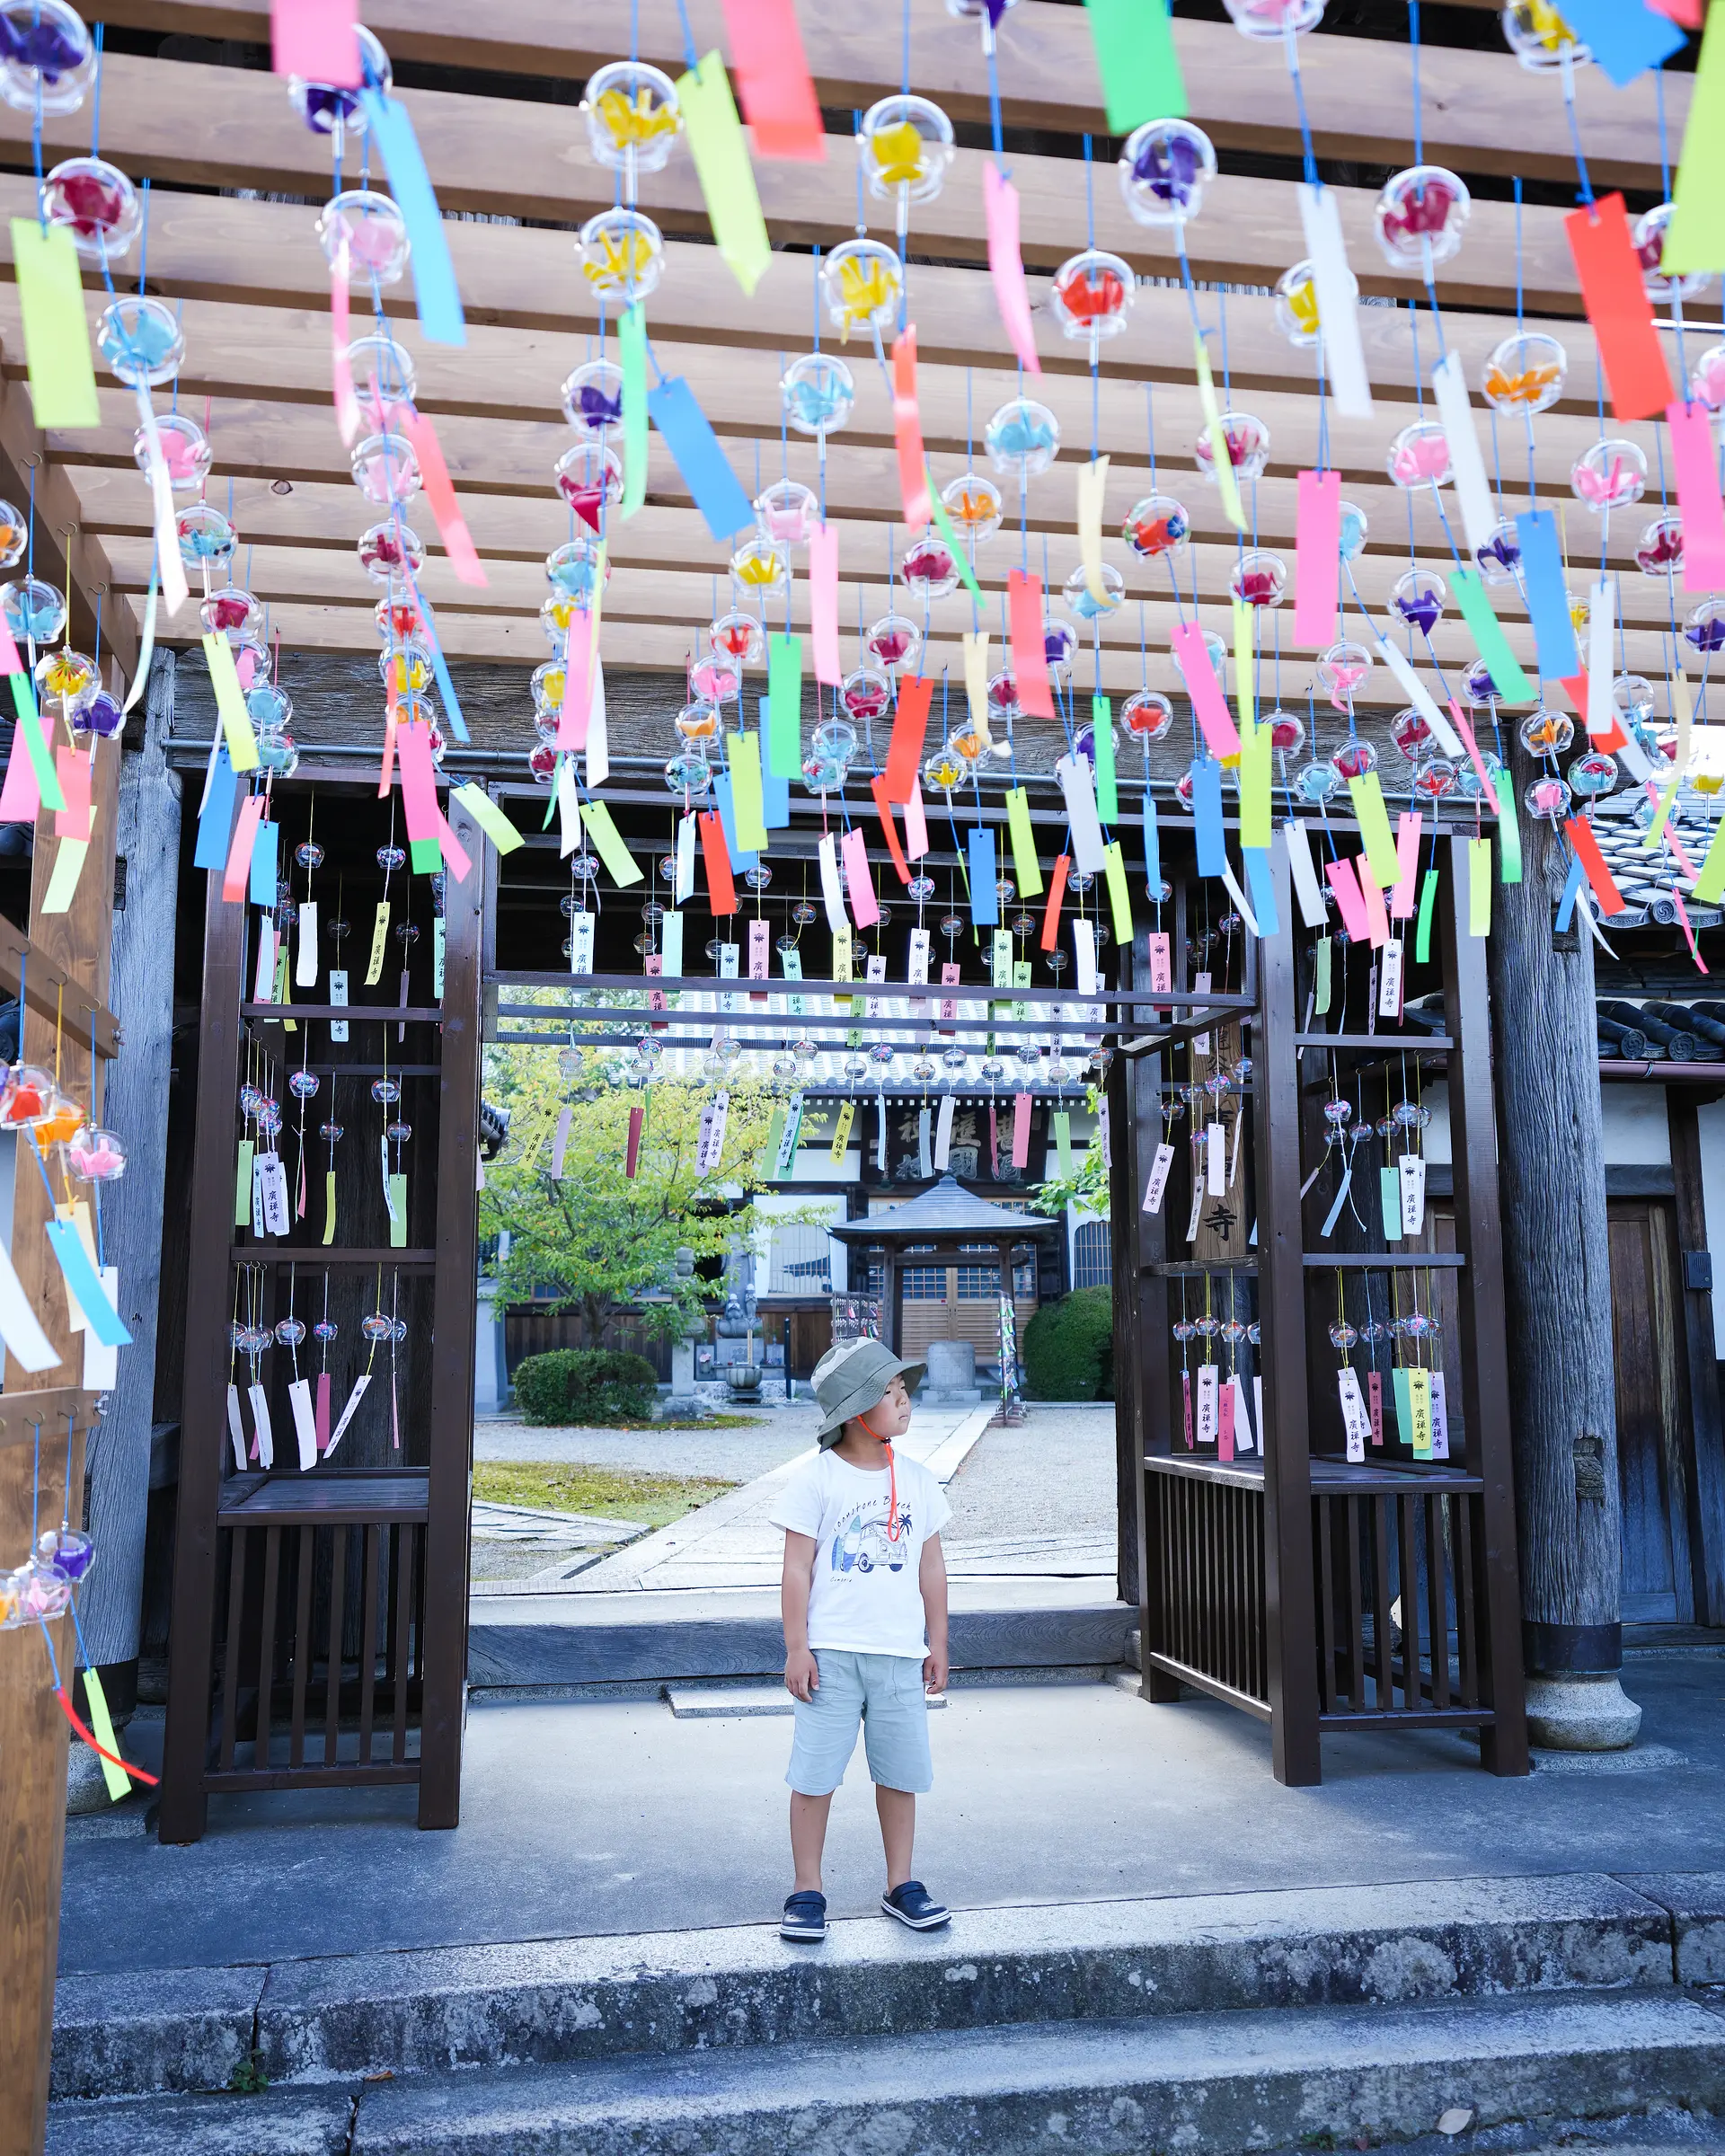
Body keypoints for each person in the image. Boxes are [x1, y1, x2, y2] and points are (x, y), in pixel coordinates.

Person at [770, 1335, 951, 1942]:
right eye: (891, 1393)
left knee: (900, 1774)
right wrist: (798, 1646)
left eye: (905, 1393)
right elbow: (797, 1567)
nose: (905, 1403)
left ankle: (902, 1882)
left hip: (900, 1657)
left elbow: (932, 1567)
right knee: (815, 1775)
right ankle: (807, 1888)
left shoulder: (921, 1482)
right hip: (831, 1657)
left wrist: (938, 1641)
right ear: (854, 1410)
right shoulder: (817, 1480)